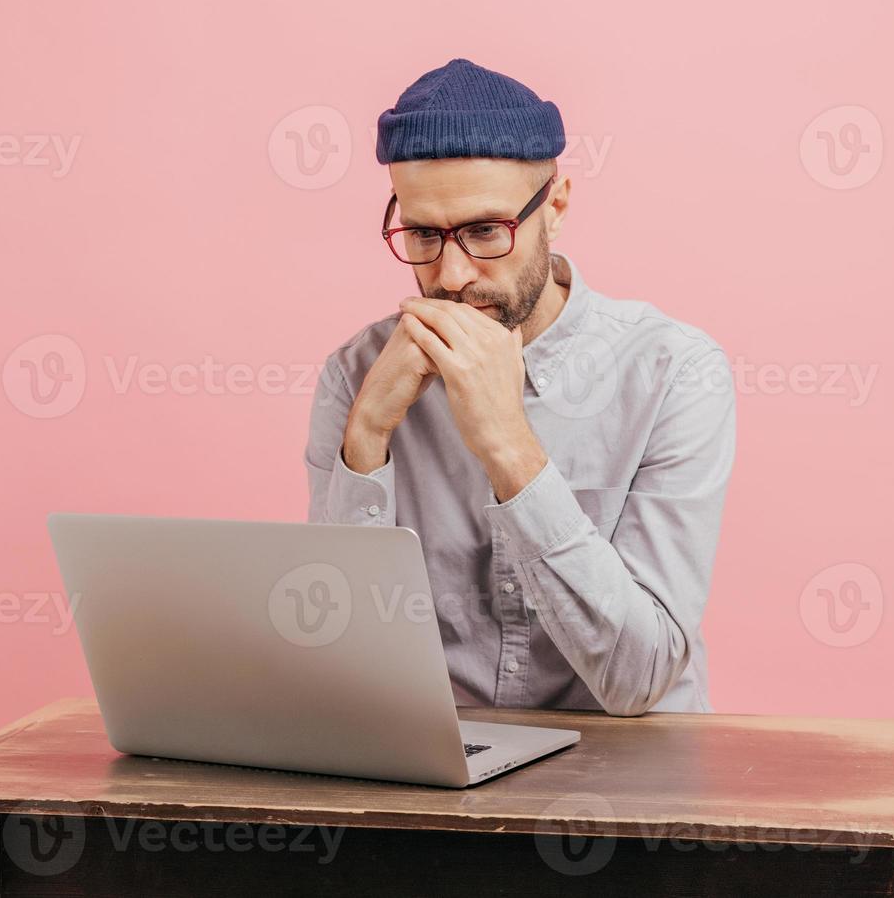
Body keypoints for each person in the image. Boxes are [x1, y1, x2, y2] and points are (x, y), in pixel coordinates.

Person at [304, 58, 735, 716]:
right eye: (423, 234)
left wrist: (509, 446)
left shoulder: (673, 371)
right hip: (433, 785)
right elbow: (339, 673)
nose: (450, 276)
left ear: (555, 207)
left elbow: (640, 678)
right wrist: (365, 440)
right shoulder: (356, 376)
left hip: (632, 784)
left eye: (485, 232)